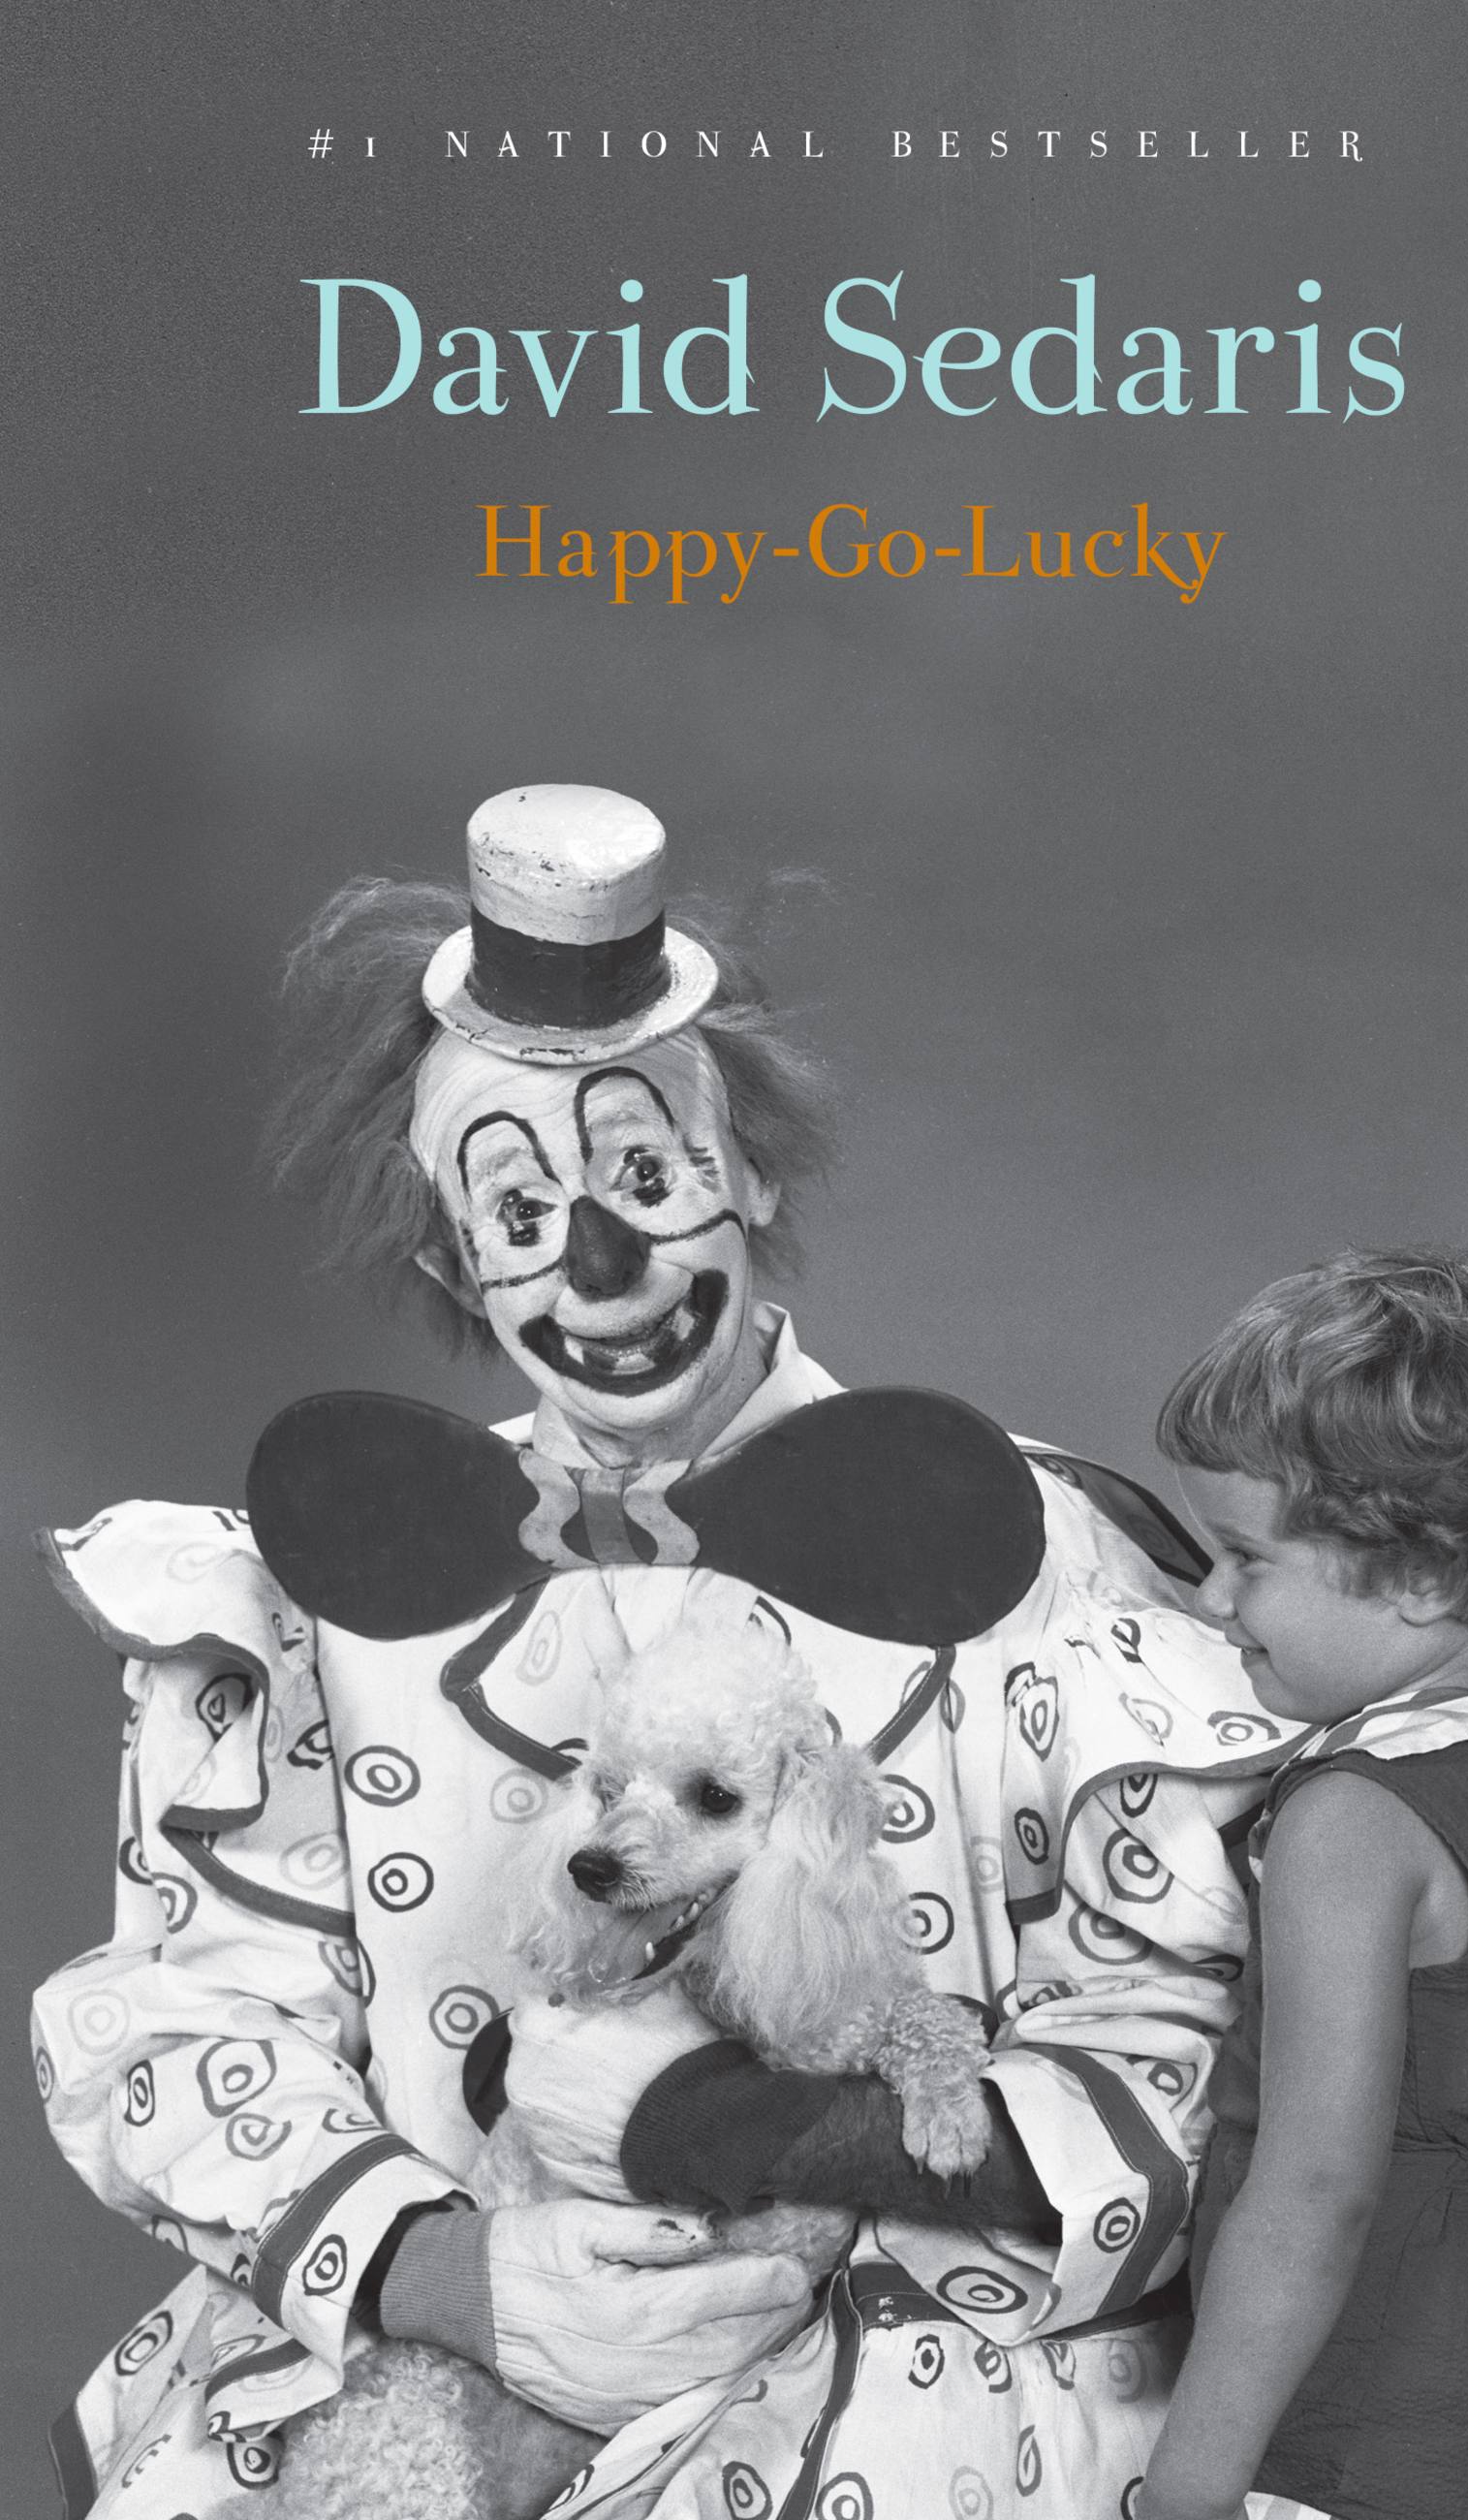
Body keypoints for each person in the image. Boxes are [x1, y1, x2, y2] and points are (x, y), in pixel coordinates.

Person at [33, 785, 1291, 2520]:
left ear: (749, 1167)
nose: (604, 1267)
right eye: (519, 1211)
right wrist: (452, 2279)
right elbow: (188, 2021)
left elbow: (1192, 2037)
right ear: (452, 1256)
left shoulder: (1048, 1555)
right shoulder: (303, 1597)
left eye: (646, 1175)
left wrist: (769, 2141)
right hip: (446, 2389)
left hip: (934, 2408)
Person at [1138, 1249, 1468, 2520]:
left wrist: (1188, 2488)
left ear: (1421, 1574)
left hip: (1372, 2432)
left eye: (1246, 1557)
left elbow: (1315, 2194)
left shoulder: (1354, 1820)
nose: (1211, 1596)